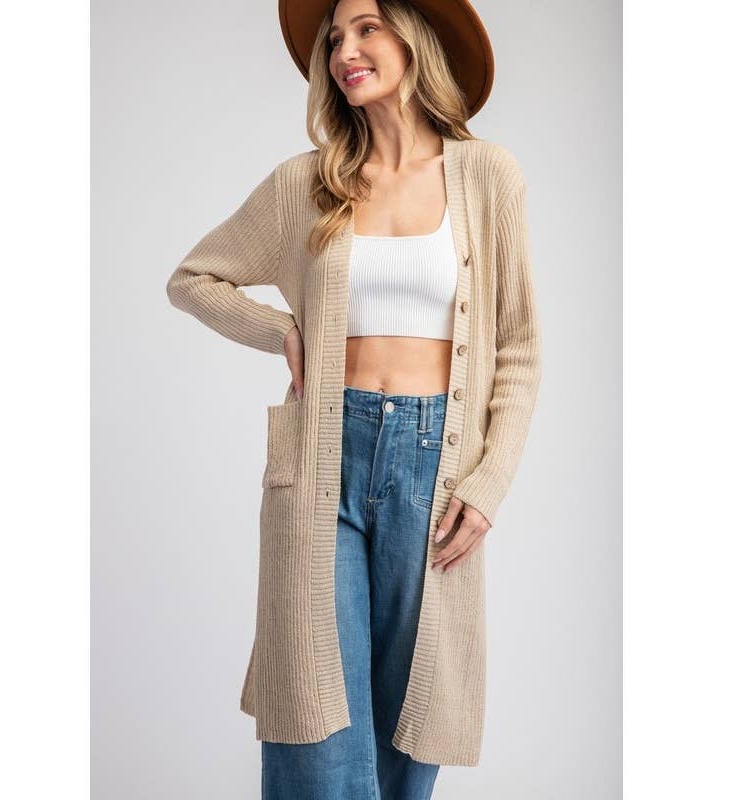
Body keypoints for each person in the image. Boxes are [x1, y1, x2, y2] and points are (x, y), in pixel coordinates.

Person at [165, 0, 542, 797]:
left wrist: (490, 482)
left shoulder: (488, 176)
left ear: (414, 37)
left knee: (410, 718)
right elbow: (193, 279)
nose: (345, 50)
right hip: (323, 458)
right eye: (335, 37)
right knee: (316, 720)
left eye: (367, 27)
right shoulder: (307, 183)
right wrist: (281, 330)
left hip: (436, 467)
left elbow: (517, 347)